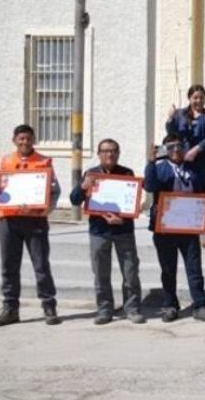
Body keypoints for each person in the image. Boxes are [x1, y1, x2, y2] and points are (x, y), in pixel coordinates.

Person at [0, 124, 62, 327]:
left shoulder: (43, 162)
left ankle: (49, 307)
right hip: (9, 221)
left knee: (41, 266)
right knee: (9, 267)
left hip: (35, 221)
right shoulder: (6, 161)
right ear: (14, 140)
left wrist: (48, 208)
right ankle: (10, 309)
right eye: (21, 138)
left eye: (28, 138)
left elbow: (55, 191)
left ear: (33, 140)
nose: (25, 142)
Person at [69, 139, 143, 324]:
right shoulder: (91, 174)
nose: (109, 154)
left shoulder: (127, 173)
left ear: (118, 153)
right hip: (99, 232)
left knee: (130, 272)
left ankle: (132, 308)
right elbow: (74, 200)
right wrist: (84, 186)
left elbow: (130, 202)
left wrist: (122, 218)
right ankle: (104, 309)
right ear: (99, 153)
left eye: (113, 151)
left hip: (123, 230)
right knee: (101, 274)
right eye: (105, 151)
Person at [143, 134, 205, 323]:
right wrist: (150, 163)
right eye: (171, 147)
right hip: (164, 228)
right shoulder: (160, 169)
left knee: (194, 269)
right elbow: (149, 186)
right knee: (168, 269)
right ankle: (170, 305)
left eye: (179, 146)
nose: (175, 150)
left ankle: (200, 304)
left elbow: (203, 195)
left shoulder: (194, 169)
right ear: (164, 150)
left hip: (189, 229)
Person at [167, 84, 205, 249]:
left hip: (204, 163)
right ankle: (189, 229)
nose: (198, 100)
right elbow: (171, 134)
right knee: (187, 195)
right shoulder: (181, 114)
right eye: (195, 97)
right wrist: (169, 119)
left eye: (201, 97)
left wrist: (197, 149)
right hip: (186, 162)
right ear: (189, 98)